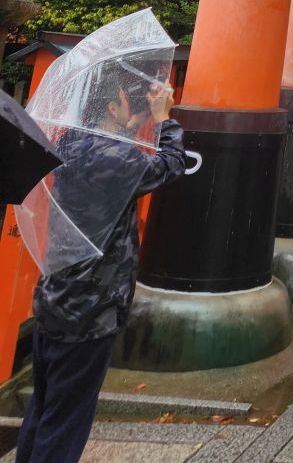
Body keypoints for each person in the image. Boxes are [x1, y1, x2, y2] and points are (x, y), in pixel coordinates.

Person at [16, 71, 186, 463]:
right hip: (89, 310)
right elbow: (171, 165)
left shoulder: (69, 144)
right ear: (111, 107)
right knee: (65, 424)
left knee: (44, 410)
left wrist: (134, 121)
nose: (131, 104)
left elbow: (115, 153)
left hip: (54, 299)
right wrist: (164, 118)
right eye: (126, 99)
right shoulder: (114, 158)